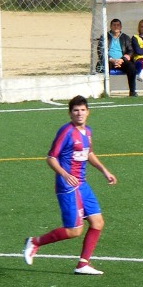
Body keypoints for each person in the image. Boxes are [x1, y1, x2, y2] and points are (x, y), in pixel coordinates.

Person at [23, 95, 117, 275]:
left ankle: (82, 264)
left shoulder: (87, 131)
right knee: (74, 231)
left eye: (82, 110)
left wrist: (104, 171)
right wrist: (65, 175)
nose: (79, 113)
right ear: (70, 113)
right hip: (68, 187)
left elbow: (89, 153)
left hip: (82, 184)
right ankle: (34, 242)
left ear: (88, 112)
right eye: (75, 110)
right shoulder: (66, 132)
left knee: (97, 222)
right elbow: (51, 158)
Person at [96, 18, 138, 97]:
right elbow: (100, 51)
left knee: (131, 67)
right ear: (110, 26)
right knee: (104, 67)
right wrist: (111, 60)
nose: (116, 27)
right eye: (114, 25)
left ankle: (132, 92)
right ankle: (105, 91)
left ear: (121, 27)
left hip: (122, 61)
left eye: (118, 25)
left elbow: (130, 51)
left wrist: (122, 59)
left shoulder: (125, 37)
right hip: (109, 61)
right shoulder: (104, 37)